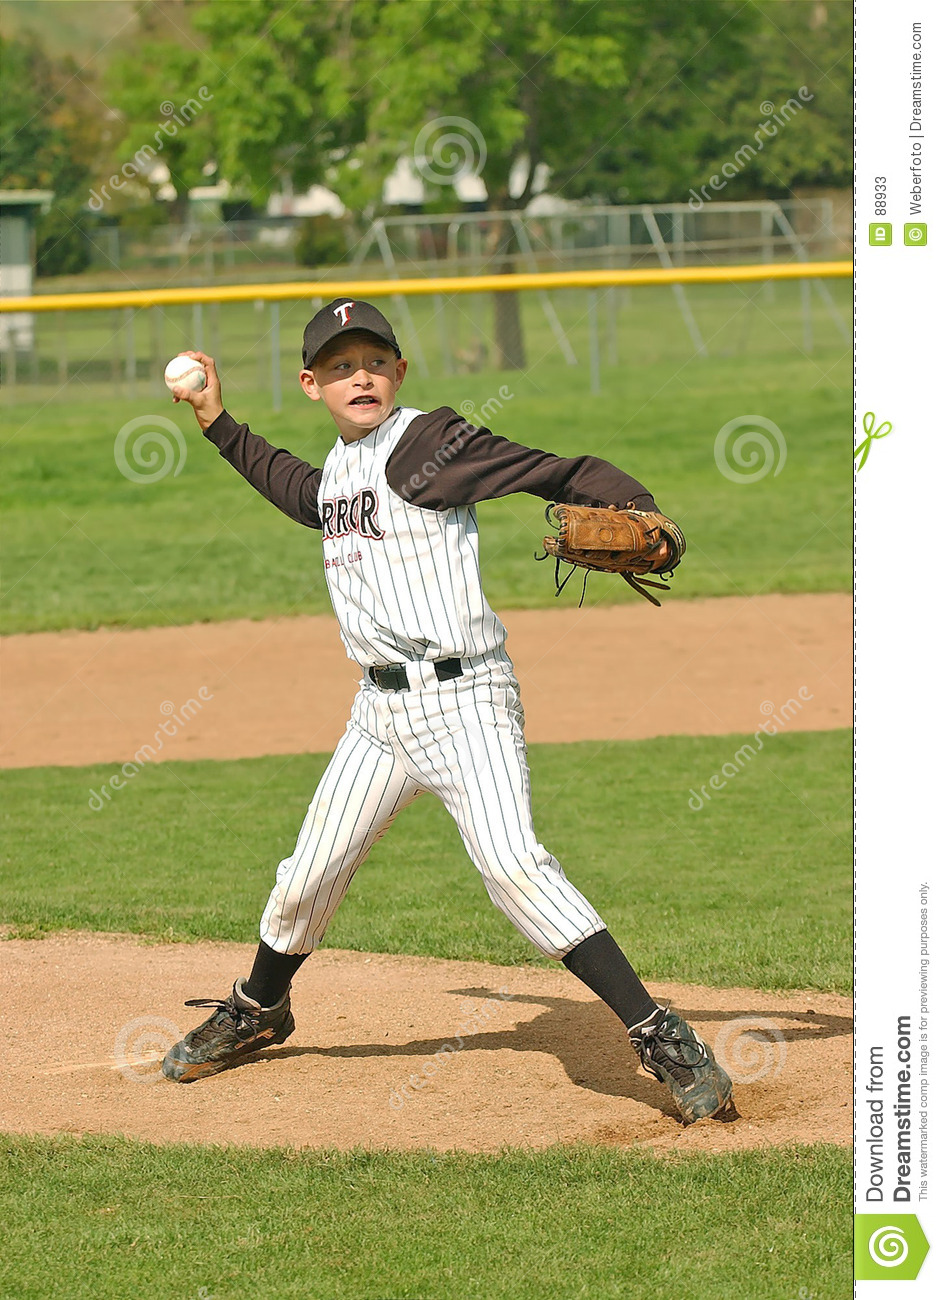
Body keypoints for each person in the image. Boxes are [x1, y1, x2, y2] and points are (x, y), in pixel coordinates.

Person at [159, 297, 733, 1124]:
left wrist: (638, 507)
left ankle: (658, 1036)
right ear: (311, 383)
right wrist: (216, 421)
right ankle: (259, 1009)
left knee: (513, 866)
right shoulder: (342, 473)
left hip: (466, 704)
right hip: (378, 717)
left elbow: (557, 471)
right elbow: (298, 491)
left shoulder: (427, 444)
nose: (361, 375)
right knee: (307, 877)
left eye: (375, 361)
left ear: (398, 373)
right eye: (341, 365)